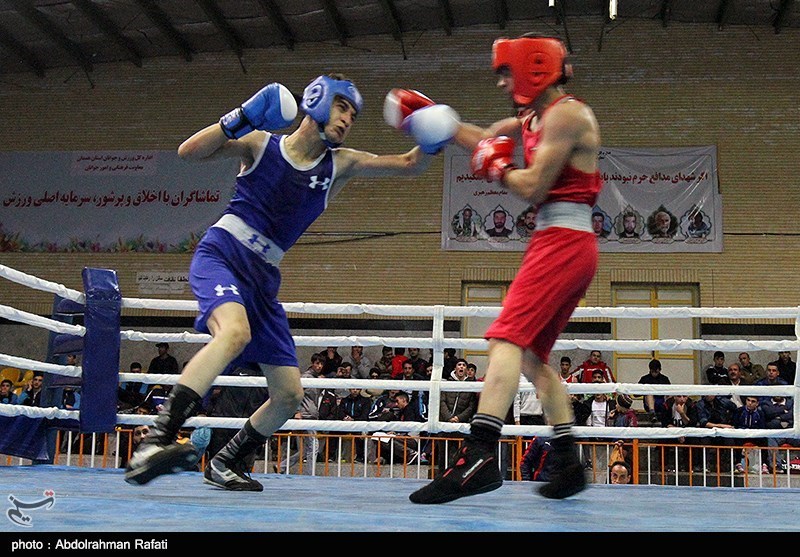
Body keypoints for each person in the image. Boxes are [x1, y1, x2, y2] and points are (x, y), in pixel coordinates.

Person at [125, 73, 450, 490]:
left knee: (289, 395)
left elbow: (409, 165)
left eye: (353, 113)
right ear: (315, 101)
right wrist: (238, 117)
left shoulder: (341, 163)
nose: (348, 119)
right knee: (234, 334)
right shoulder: (260, 143)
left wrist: (428, 133)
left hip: (263, 279)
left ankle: (228, 461)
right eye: (342, 107)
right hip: (224, 253)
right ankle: (154, 442)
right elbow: (189, 153)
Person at [406, 33, 602, 503]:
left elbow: (533, 186)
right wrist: (441, 122)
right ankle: (569, 463)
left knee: (505, 339)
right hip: (560, 240)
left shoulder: (568, 115)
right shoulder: (532, 116)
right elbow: (487, 139)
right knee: (533, 360)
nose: (502, 85)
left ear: (532, 69)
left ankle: (478, 456)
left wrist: (496, 169)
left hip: (565, 240)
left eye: (506, 74)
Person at [638, 358, 671, 425]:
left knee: (669, 394)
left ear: (659, 370)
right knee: (649, 392)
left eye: (656, 371)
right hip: (649, 403)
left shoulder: (664, 379)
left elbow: (670, 392)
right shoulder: (645, 379)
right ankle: (652, 413)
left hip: (662, 402)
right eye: (653, 371)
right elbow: (636, 393)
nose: (654, 373)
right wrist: (645, 390)